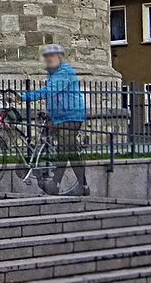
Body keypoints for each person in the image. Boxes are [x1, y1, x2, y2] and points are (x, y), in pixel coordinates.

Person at [20, 43, 89, 195]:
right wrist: (50, 115)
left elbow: (50, 90)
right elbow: (55, 97)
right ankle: (82, 186)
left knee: (64, 150)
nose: (49, 60)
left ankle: (56, 184)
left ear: (59, 57)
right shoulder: (53, 74)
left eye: (52, 57)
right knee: (70, 150)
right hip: (60, 116)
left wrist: (23, 97)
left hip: (71, 115)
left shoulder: (64, 72)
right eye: (47, 57)